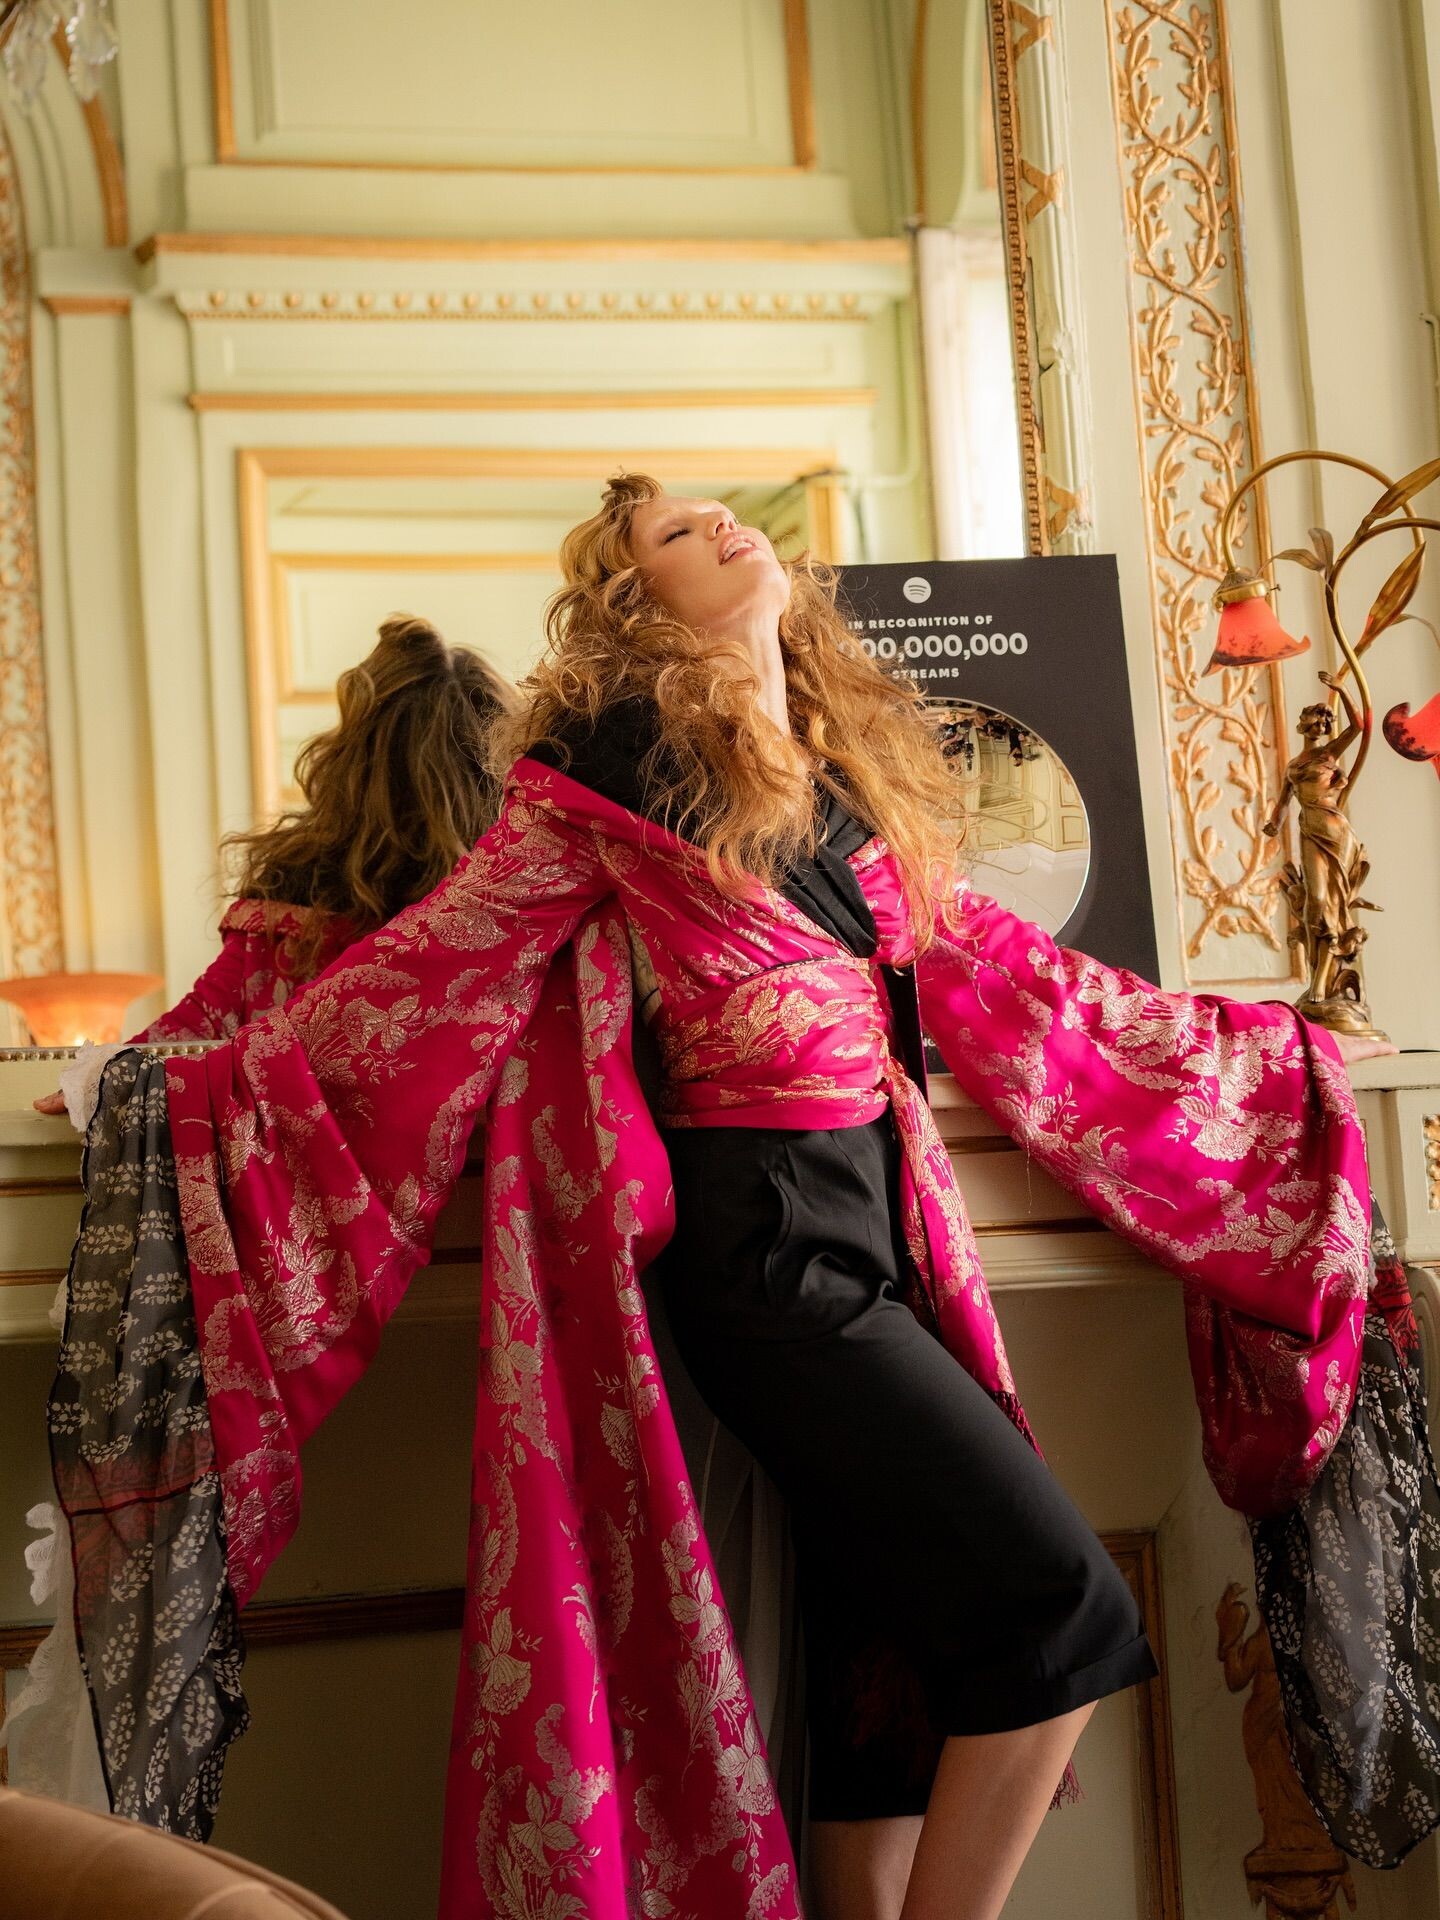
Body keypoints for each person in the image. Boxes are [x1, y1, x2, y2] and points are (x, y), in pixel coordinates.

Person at [52, 477, 1386, 1920]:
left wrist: (1272, 1047)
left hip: (881, 1242)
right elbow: (437, 960)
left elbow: (1012, 975)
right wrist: (183, 1078)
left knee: (880, 1698)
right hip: (772, 1265)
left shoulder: (836, 774)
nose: (726, 528)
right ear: (635, 608)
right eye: (676, 535)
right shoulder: (610, 766)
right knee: (1065, 1619)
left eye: (721, 513)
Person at [33, 615, 512, 1105]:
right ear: (498, 774)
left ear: (350, 765)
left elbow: (186, 1036)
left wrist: (99, 1084)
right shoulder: (519, 929)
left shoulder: (284, 914)